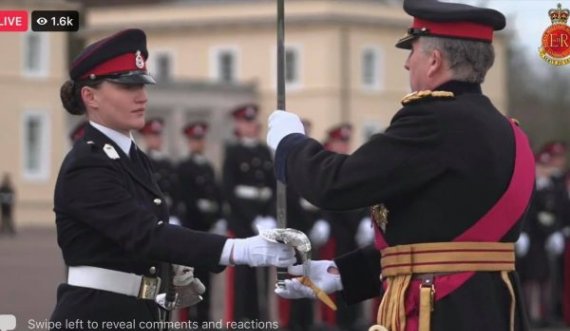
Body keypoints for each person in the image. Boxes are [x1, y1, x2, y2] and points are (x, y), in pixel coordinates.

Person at [266, 1, 535, 330]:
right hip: (495, 306)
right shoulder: (509, 131)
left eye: (413, 52)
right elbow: (441, 234)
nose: (407, 64)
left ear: (434, 61)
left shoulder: (433, 119)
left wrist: (290, 145)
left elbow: (336, 185)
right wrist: (343, 273)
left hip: (440, 308)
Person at [51, 28, 295, 331]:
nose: (141, 96)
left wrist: (171, 265)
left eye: (142, 85)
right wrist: (238, 249)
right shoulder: (87, 164)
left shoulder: (132, 157)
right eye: (127, 87)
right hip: (95, 313)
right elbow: (142, 233)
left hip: (140, 311)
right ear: (90, 96)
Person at [222, 104, 277, 322]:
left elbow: (273, 187)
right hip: (243, 222)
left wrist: (269, 216)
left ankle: (259, 317)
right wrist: (252, 218)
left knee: (262, 273)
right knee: (243, 274)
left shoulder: (264, 151)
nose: (251, 126)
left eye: (253, 121)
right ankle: (240, 318)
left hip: (263, 220)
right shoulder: (233, 152)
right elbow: (229, 190)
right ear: (238, 125)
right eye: (246, 122)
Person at [176, 121, 224, 324]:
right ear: (189, 142)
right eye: (195, 140)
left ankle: (204, 319)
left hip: (207, 229)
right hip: (191, 228)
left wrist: (219, 217)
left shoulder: (208, 167)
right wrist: (200, 207)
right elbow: (184, 197)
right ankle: (190, 321)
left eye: (201, 139)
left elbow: (217, 195)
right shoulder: (183, 167)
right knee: (188, 279)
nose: (199, 143)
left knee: (206, 279)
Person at [138, 118, 179, 224]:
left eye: (159, 135)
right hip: (152, 216)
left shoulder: (167, 163)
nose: (158, 139)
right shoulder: (141, 161)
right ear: (146, 138)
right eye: (153, 136)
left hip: (171, 213)